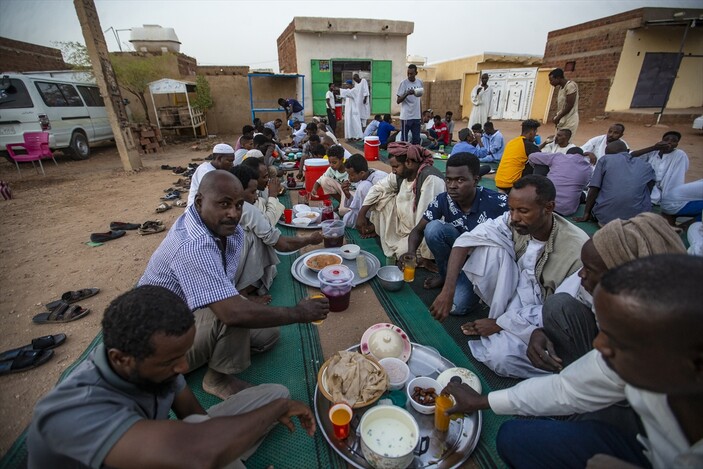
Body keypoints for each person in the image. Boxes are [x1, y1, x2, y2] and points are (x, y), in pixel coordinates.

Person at [442, 254, 703, 469]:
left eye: (617, 340)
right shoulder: (647, 360)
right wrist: (483, 401)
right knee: (514, 438)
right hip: (645, 446)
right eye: (603, 332)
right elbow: (566, 388)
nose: (598, 346)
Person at [27, 285, 316, 468]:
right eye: (171, 361)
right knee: (214, 445)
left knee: (275, 393)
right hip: (160, 452)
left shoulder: (155, 365)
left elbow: (195, 418)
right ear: (120, 359)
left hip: (165, 446)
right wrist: (274, 414)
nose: (182, 368)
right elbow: (197, 452)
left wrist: (220, 443)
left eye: (183, 355)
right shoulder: (72, 411)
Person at [138, 171, 328, 399]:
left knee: (268, 334)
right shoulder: (193, 246)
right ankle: (215, 379)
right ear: (199, 202)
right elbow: (232, 312)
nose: (233, 213)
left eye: (238, 205)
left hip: (187, 317)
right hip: (157, 345)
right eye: (224, 204)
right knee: (234, 313)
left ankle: (207, 353)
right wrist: (298, 313)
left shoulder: (225, 229)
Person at [430, 175, 588, 378]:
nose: (514, 217)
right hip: (518, 293)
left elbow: (562, 311)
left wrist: (501, 323)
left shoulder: (577, 250)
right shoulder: (513, 220)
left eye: (523, 211)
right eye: (511, 209)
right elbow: (465, 241)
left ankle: (567, 374)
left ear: (549, 208)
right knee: (489, 249)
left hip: (544, 314)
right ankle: (502, 318)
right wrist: (448, 290)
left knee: (500, 357)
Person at [527, 213, 686, 375]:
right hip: (612, 368)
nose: (581, 274)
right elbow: (562, 306)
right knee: (557, 305)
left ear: (625, 275)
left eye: (590, 269)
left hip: (637, 384)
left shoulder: (661, 322)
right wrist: (542, 331)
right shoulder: (603, 283)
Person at [404, 153, 508, 315]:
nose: (452, 185)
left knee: (457, 307)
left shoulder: (498, 203)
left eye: (460, 180)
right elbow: (418, 230)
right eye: (449, 179)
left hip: (483, 263)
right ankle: (446, 275)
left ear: (476, 180)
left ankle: (470, 286)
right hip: (458, 255)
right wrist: (411, 252)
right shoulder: (443, 200)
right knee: (433, 228)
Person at [231, 166, 323, 296]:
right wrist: (309, 240)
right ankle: (244, 291)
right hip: (232, 271)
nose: (256, 197)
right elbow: (282, 244)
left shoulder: (224, 204)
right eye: (252, 192)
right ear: (238, 190)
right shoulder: (246, 209)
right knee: (257, 238)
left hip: (227, 268)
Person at [356, 142, 445, 258]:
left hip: (419, 232)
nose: (393, 171)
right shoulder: (402, 174)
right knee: (381, 199)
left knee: (401, 253)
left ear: (408, 162)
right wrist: (362, 213)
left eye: (395, 166)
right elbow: (379, 188)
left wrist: (424, 255)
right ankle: (383, 232)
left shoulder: (430, 179)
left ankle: (424, 255)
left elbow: (427, 221)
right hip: (403, 224)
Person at [576, 140, 655, 226]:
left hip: (606, 220)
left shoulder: (605, 159)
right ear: (628, 151)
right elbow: (649, 189)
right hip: (637, 221)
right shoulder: (646, 165)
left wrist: (586, 213)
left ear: (607, 154)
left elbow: (594, 188)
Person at [630, 131, 690, 205]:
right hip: (649, 186)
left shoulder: (679, 155)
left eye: (673, 141)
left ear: (676, 145)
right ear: (661, 141)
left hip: (667, 189)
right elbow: (631, 156)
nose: (669, 142)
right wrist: (653, 148)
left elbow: (677, 178)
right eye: (666, 140)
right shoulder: (654, 152)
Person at [528, 147, 592, 216]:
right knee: (580, 193)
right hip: (567, 210)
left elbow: (532, 156)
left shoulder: (559, 157)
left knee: (540, 164)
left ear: (567, 154)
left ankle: (535, 193)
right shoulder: (589, 168)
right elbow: (585, 185)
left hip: (545, 203)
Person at [341, 153, 388, 228]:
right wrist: (347, 194)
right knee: (347, 220)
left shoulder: (380, 179)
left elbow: (386, 203)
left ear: (362, 173)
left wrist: (362, 215)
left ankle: (372, 224)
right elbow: (358, 202)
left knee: (364, 186)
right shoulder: (360, 178)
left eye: (352, 175)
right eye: (348, 175)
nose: (349, 178)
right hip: (367, 211)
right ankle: (365, 220)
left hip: (382, 211)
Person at [494, 119, 541, 192]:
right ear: (532, 132)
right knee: (537, 165)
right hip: (511, 185)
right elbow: (542, 158)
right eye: (535, 132)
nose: (535, 135)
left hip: (499, 181)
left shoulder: (512, 142)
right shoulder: (529, 145)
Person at [241, 158, 285, 228]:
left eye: (267, 176)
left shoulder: (260, 191)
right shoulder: (249, 199)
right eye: (264, 177)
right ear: (253, 179)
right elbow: (268, 225)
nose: (268, 179)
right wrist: (273, 195)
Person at [548, 68, 579, 139]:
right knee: (557, 140)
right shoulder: (561, 88)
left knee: (564, 142)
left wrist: (558, 117)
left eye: (551, 80)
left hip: (569, 119)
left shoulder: (570, 86)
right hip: (562, 119)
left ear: (558, 78)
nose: (550, 82)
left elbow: (570, 104)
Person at [397, 64, 424, 144]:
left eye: (411, 74)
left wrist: (421, 115)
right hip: (406, 117)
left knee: (416, 139)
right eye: (408, 73)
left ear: (416, 73)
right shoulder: (404, 83)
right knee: (404, 140)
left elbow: (419, 100)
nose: (409, 75)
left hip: (416, 116)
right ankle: (404, 155)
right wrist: (407, 93)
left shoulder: (419, 82)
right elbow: (398, 100)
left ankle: (415, 155)